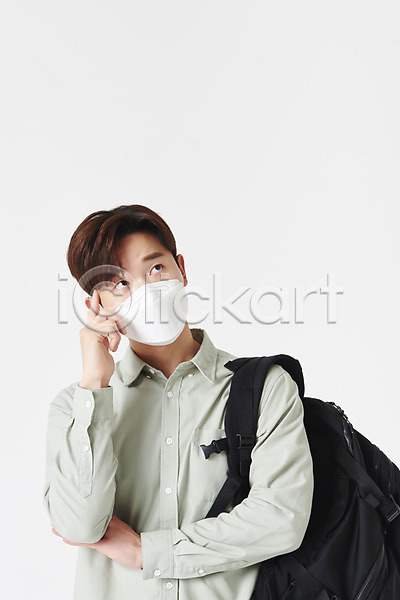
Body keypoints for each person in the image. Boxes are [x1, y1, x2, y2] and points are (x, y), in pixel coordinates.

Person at [42, 204, 314, 600]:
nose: (145, 291)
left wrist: (146, 552)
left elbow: (281, 518)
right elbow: (80, 526)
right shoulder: (75, 408)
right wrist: (95, 383)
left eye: (155, 269)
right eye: (119, 284)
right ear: (96, 306)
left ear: (181, 270)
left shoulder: (265, 388)